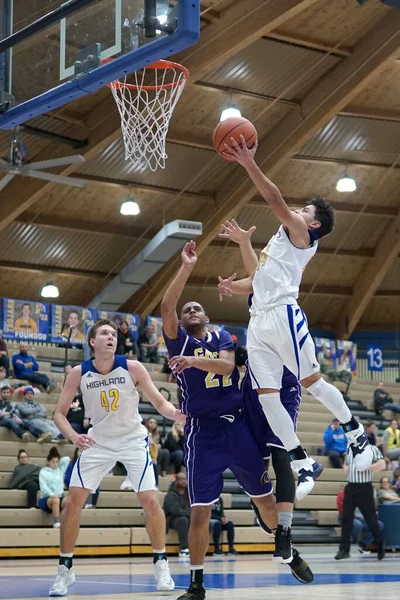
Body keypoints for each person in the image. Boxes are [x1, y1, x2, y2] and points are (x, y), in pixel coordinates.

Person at [217, 145, 372, 498]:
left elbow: (274, 199)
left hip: (284, 314)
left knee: (313, 382)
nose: (296, 212)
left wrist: (249, 163)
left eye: (304, 210)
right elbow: (255, 280)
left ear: (313, 223)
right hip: (258, 322)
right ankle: (302, 461)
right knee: (267, 398)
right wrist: (234, 278)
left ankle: (356, 435)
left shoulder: (303, 237)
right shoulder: (281, 242)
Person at [161, 242, 290, 600]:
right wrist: (186, 266)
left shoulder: (222, 337)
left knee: (266, 501)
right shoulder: (177, 342)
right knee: (200, 512)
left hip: (235, 426)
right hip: (202, 433)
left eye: (197, 307)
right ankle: (197, 584)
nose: (190, 310)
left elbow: (228, 367)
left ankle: (286, 545)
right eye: (187, 310)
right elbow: (167, 305)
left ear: (206, 316)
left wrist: (193, 362)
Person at [48, 318, 184, 596]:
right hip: (98, 441)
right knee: (72, 503)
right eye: (104, 334)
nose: (110, 337)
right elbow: (59, 414)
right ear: (92, 342)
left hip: (133, 439)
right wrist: (74, 437)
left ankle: (160, 562)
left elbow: (159, 402)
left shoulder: (132, 367)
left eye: (113, 334)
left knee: (150, 500)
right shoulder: (78, 373)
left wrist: (178, 414)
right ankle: (65, 569)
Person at [216, 219, 312, 577]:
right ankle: (272, 522)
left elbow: (256, 277)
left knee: (282, 455)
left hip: (284, 381)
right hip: (254, 382)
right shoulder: (260, 287)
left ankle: (284, 533)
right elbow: (252, 280)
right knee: (254, 468)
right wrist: (239, 259)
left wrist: (243, 244)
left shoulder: (283, 277)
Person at [335, 444, 386, 560]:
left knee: (371, 519)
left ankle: (380, 544)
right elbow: (346, 464)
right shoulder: (349, 448)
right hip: (350, 487)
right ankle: (344, 549)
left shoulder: (372, 448)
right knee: (346, 518)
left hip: (364, 487)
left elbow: (382, 464)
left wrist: (367, 467)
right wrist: (346, 468)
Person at [336, 489, 384, 555]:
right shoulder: (344, 493)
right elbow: (342, 509)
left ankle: (363, 545)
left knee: (379, 524)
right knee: (358, 524)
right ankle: (354, 544)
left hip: (363, 520)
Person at [39, 446, 69, 528]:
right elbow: (43, 487)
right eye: (53, 462)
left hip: (59, 497)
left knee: (69, 500)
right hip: (47, 498)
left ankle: (66, 522)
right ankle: (56, 523)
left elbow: (67, 459)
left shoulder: (60, 470)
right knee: (55, 500)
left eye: (57, 462)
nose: (55, 464)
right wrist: (52, 494)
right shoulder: (43, 472)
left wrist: (57, 455)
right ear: (48, 462)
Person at [164, 472, 191, 558]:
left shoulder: (189, 493)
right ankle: (183, 548)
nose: (184, 481)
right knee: (183, 520)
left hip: (187, 516)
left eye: (185, 479)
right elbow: (174, 510)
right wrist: (189, 515)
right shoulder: (170, 495)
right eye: (181, 479)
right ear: (176, 481)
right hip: (172, 519)